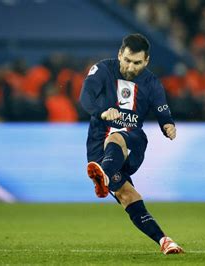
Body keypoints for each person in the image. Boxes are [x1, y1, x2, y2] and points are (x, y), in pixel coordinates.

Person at [79, 33, 184, 255]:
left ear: (146, 61)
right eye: (126, 60)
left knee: (116, 137)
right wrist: (102, 112)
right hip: (99, 146)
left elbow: (163, 111)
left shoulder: (152, 83)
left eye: (137, 63)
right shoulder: (102, 70)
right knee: (128, 196)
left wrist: (168, 126)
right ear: (119, 54)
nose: (130, 66)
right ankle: (165, 241)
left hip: (132, 142)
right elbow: (85, 97)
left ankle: (103, 176)